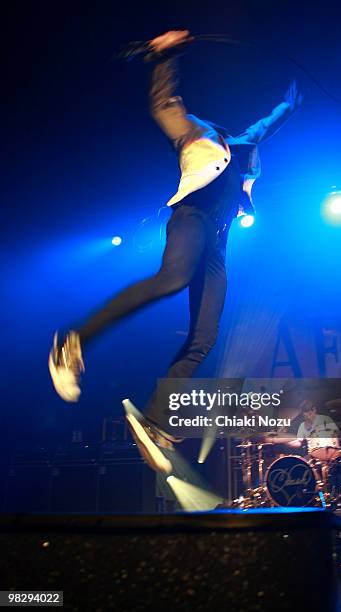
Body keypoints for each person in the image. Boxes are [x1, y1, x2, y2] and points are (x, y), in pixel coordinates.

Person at [48, 30, 303, 473]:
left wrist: (289, 105)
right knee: (172, 278)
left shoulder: (241, 149)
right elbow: (164, 104)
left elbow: (264, 128)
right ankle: (71, 343)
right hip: (191, 218)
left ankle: (156, 421)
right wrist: (164, 56)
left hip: (218, 243)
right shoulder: (190, 131)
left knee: (205, 337)